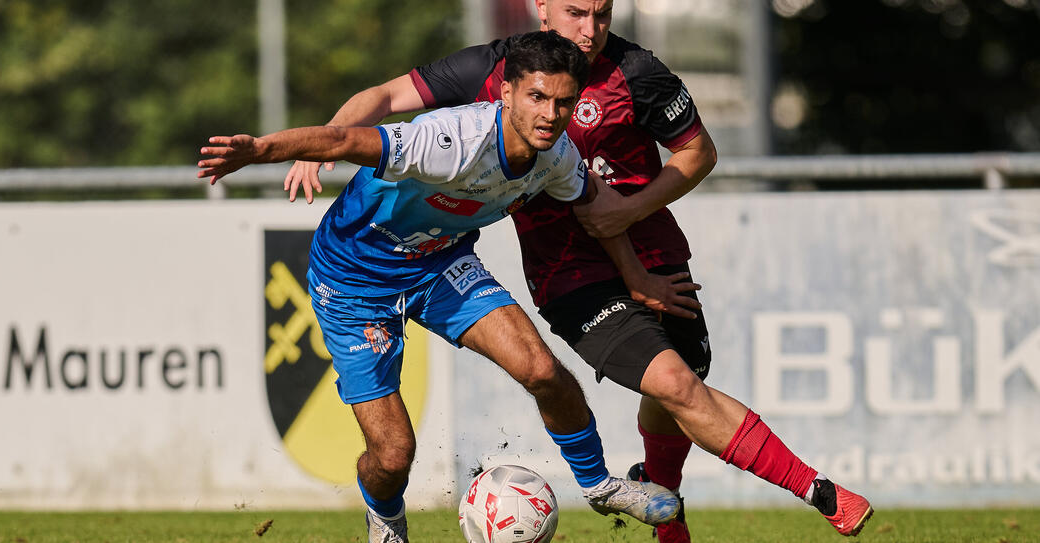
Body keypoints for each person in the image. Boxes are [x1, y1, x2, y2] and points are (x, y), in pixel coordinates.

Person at [281, 1, 874, 540]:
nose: (588, 31)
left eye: (601, 14)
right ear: (539, 12)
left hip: (628, 252)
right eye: (573, 12)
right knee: (395, 454)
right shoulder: (482, 84)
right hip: (546, 272)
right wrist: (306, 147)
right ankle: (817, 494)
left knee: (676, 383)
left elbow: (693, 156)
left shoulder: (638, 75)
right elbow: (374, 109)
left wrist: (631, 219)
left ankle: (641, 498)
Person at [198, 31, 683, 543]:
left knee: (542, 371)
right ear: (507, 93)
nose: (549, 114)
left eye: (563, 103)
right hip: (353, 281)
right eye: (537, 97)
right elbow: (343, 141)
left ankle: (598, 484)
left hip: (438, 265)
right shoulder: (450, 142)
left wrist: (636, 276)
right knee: (393, 455)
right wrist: (259, 148)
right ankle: (384, 516)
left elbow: (594, 210)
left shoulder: (556, 157)